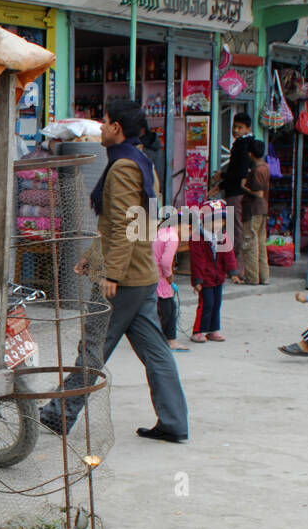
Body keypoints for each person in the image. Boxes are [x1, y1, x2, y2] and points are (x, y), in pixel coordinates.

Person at [39, 99, 189, 443]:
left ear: (117, 128)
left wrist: (111, 274)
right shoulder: (141, 162)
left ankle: (58, 414)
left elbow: (122, 225)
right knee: (156, 351)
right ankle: (174, 421)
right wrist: (93, 255)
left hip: (124, 278)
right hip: (142, 274)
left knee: (92, 346)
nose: (101, 129)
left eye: (104, 123)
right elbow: (127, 223)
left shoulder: (122, 167)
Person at [188, 199, 236, 343]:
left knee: (217, 303)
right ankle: (198, 331)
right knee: (206, 303)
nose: (217, 225)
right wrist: (197, 280)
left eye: (221, 221)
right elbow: (197, 261)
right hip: (205, 278)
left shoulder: (222, 235)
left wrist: (233, 271)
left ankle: (213, 330)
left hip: (218, 277)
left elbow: (229, 254)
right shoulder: (197, 237)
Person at [218, 113, 253, 285]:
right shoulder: (244, 144)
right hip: (237, 192)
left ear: (248, 129)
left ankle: (235, 268)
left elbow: (237, 172)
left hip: (236, 193)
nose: (236, 130)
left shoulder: (242, 146)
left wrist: (222, 180)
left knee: (235, 230)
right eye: (235, 127)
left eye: (240, 127)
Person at [152, 219, 187, 351]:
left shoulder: (160, 232)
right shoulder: (172, 236)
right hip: (161, 279)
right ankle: (169, 340)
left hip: (153, 276)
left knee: (162, 308)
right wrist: (169, 276)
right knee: (169, 310)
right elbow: (166, 262)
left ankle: (165, 338)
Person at [240, 140, 270, 286]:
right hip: (263, 209)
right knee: (261, 243)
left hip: (253, 210)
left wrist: (244, 187)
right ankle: (264, 276)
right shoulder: (265, 167)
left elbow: (258, 193)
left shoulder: (257, 170)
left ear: (250, 153)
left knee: (250, 243)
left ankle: (252, 277)